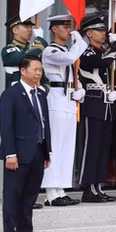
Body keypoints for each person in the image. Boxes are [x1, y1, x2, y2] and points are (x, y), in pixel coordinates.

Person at [0, 55, 53, 232]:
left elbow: (45, 124)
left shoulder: (41, 94)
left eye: (40, 70)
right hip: (17, 154)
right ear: (23, 71)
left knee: (30, 196)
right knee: (13, 196)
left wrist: (47, 152)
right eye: (35, 69)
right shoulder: (10, 94)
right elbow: (6, 126)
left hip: (37, 152)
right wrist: (10, 153)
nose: (39, 73)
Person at [40, 14, 87, 206]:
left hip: (69, 100)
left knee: (67, 148)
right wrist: (80, 42)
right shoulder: (50, 51)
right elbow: (68, 58)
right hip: (56, 100)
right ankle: (51, 193)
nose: (69, 31)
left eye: (69, 27)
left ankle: (61, 189)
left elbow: (74, 73)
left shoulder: (68, 50)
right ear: (54, 29)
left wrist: (80, 90)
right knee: (55, 148)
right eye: (65, 27)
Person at [77, 14, 116, 203]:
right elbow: (99, 62)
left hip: (107, 105)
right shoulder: (86, 52)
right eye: (100, 30)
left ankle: (98, 186)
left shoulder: (104, 51)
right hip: (93, 103)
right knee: (92, 147)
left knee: (103, 148)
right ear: (88, 33)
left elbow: (114, 73)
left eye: (104, 30)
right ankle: (88, 187)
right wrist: (115, 49)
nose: (104, 33)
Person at [2, 15, 47, 88]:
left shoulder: (34, 49)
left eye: (30, 27)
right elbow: (24, 58)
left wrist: (44, 89)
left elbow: (43, 75)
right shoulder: (9, 50)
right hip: (18, 95)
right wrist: (39, 41)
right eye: (26, 27)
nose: (30, 30)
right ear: (15, 30)